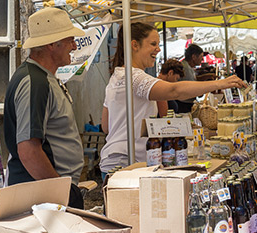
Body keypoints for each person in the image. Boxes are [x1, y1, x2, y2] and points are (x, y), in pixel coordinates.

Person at [100, 22, 247, 174]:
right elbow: (174, 90)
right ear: (135, 45)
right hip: (126, 160)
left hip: (116, 158)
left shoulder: (117, 77)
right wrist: (221, 83)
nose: (158, 49)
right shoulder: (133, 77)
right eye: (153, 44)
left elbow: (106, 126)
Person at [3, 8, 86, 208]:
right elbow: (29, 150)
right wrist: (60, 190)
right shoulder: (35, 82)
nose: (74, 46)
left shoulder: (41, 78)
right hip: (42, 197)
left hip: (46, 192)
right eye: (70, 40)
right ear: (51, 44)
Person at [172, 43, 204, 112]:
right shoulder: (185, 68)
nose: (202, 59)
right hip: (183, 104)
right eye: (201, 56)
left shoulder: (188, 66)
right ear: (194, 57)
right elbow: (191, 89)